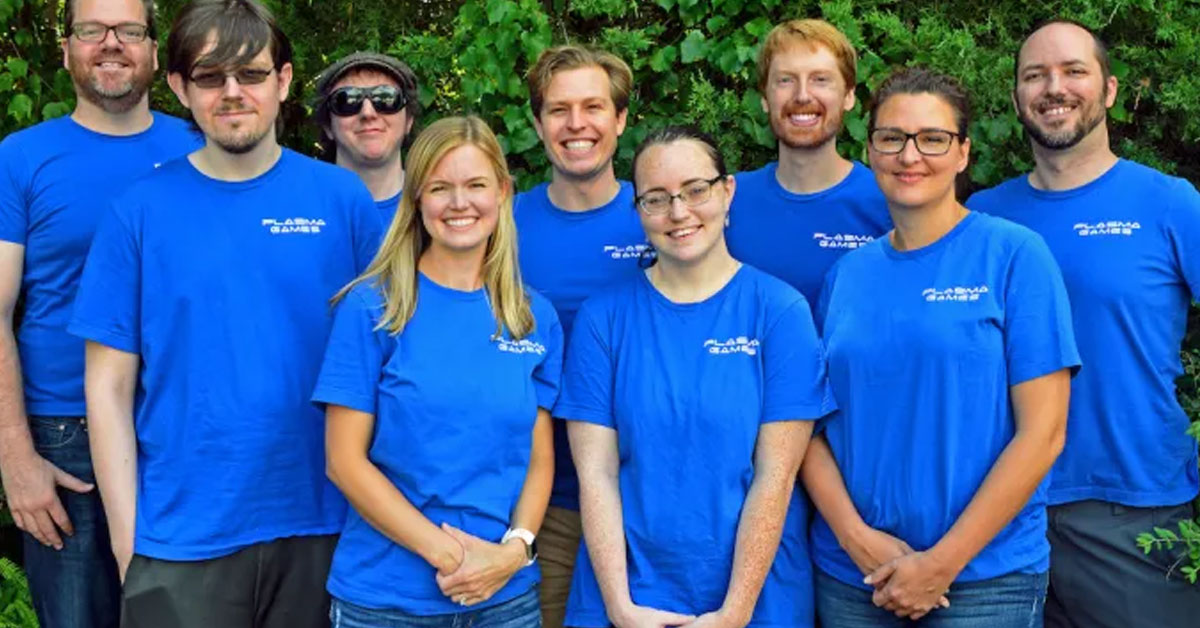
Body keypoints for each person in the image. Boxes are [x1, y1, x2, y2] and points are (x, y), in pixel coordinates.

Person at [68, 1, 383, 625]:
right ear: (181, 87)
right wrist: (127, 538)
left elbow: (388, 354)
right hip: (181, 538)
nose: (233, 93)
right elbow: (106, 387)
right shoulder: (137, 211)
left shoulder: (341, 200)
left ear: (284, 82)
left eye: (252, 74)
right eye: (211, 77)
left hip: (326, 522)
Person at [806, 67, 1079, 626]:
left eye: (933, 138)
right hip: (854, 576)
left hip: (983, 580)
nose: (910, 156)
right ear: (871, 150)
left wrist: (942, 562)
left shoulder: (1014, 256)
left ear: (962, 154)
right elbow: (806, 427)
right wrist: (855, 538)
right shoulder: (845, 276)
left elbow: (1044, 433)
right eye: (891, 138)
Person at [967, 19, 1200, 627]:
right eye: (1035, 75)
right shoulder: (981, 218)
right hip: (995, 513)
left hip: (1131, 506)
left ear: (1111, 90)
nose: (1054, 87)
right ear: (1017, 96)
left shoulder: (1170, 203)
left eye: (1074, 71)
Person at [561, 126, 834, 628]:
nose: (679, 212)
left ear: (727, 191)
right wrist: (621, 608)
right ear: (639, 210)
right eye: (657, 199)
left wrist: (734, 613)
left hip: (756, 602)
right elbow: (596, 476)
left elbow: (776, 476)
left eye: (695, 190)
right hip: (627, 598)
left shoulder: (779, 312)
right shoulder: (603, 320)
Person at [314, 115, 560, 627]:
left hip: (507, 602)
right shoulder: (373, 309)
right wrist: (454, 559)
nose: (459, 203)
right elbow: (344, 461)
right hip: (387, 603)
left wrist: (513, 553)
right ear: (417, 199)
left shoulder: (532, 318)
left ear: (503, 193)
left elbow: (537, 461)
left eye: (475, 185)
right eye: (440, 188)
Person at [0, 0, 199, 625]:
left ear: (154, 51)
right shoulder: (21, 158)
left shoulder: (199, 145)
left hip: (182, 431)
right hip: (66, 441)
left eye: (129, 30)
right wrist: (17, 459)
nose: (110, 44)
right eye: (91, 29)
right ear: (66, 50)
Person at [513, 44, 647, 628]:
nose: (576, 124)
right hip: (536, 507)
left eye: (593, 106)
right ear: (537, 123)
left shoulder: (668, 217)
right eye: (558, 109)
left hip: (649, 500)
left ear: (620, 119)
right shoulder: (499, 224)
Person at [725, 18, 890, 303]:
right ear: (765, 97)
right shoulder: (728, 200)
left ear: (849, 95)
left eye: (820, 79)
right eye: (785, 80)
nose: (802, 95)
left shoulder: (887, 201)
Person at [314, 51, 420, 223]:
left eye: (386, 98)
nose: (368, 113)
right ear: (328, 126)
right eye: (347, 100)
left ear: (409, 120)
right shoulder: (294, 209)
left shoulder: (438, 207)